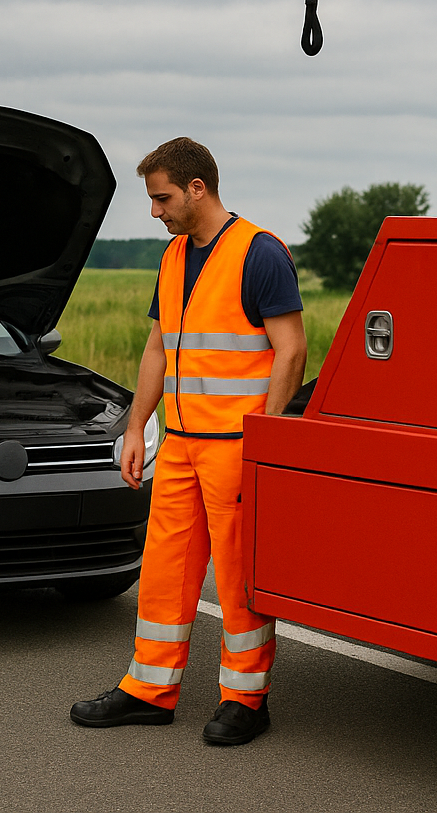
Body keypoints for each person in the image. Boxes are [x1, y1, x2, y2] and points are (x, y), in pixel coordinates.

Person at [69, 137, 306, 746]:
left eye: (162, 197)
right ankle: (148, 690)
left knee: (236, 578)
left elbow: (292, 350)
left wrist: (267, 437)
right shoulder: (173, 257)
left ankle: (246, 700)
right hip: (177, 443)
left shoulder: (260, 252)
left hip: (235, 446)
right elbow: (158, 348)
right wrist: (133, 430)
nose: (156, 211)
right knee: (166, 570)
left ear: (197, 188)